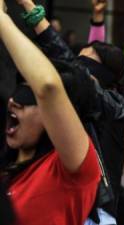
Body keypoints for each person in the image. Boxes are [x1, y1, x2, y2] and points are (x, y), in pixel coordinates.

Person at [0, 1, 101, 224]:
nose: (14, 102)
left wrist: (2, 19)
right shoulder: (8, 163)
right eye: (17, 91)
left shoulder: (72, 169)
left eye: (29, 97)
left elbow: (48, 86)